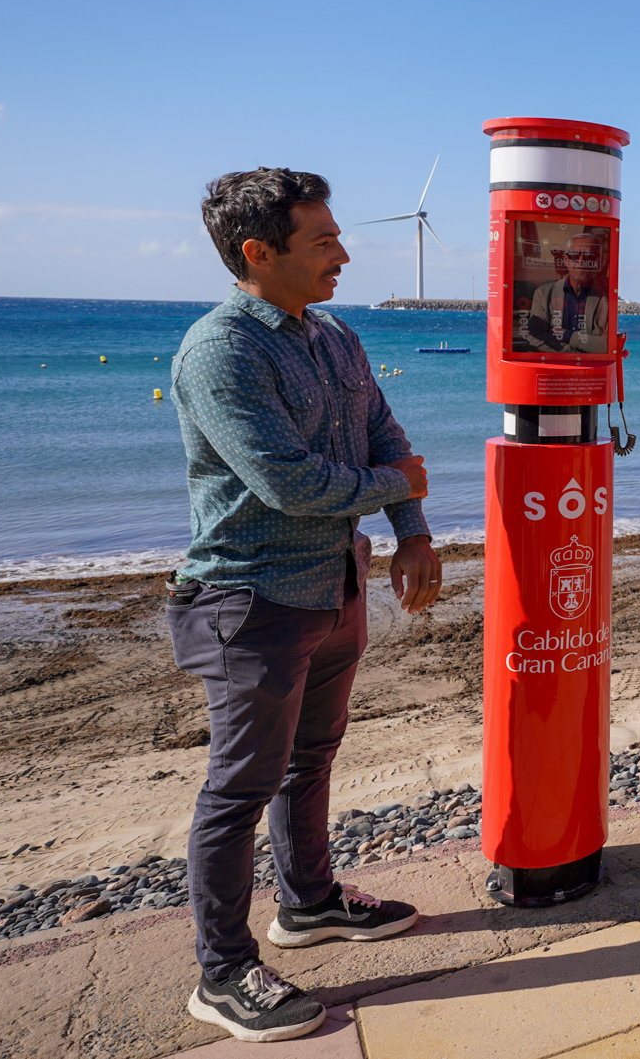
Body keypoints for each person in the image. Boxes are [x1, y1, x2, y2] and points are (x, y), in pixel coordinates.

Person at [169, 168, 442, 1042]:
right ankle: (220, 972)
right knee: (238, 787)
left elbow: (383, 435)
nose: (344, 254)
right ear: (259, 252)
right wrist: (392, 484)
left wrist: (414, 531)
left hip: (335, 586)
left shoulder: (334, 338)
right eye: (323, 241)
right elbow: (288, 482)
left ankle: (310, 901)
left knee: (312, 754)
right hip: (250, 602)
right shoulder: (221, 351)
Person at [523, 230, 611, 353]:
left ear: (597, 261)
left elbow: (608, 346)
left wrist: (569, 336)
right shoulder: (543, 294)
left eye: (589, 256)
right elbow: (536, 339)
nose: (581, 261)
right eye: (575, 255)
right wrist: (577, 353)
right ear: (565, 259)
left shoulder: (605, 301)